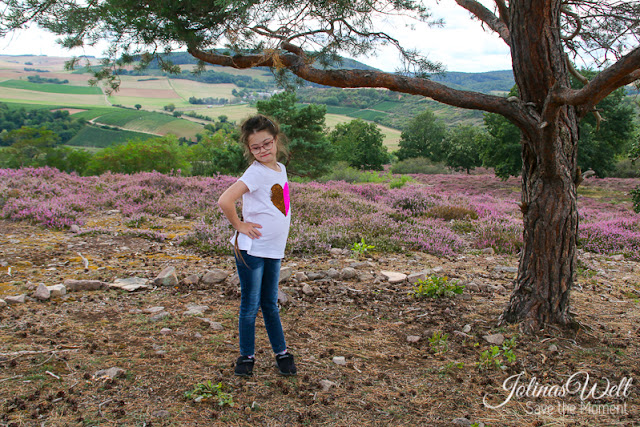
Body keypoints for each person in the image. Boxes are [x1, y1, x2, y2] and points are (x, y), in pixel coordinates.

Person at [217, 114, 296, 377]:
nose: (263, 150)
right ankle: (246, 357)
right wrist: (240, 226)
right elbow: (225, 200)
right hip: (252, 249)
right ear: (249, 150)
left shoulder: (280, 169)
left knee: (270, 303)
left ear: (276, 140)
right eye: (256, 147)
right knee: (250, 305)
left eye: (267, 143)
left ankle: (281, 353)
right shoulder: (255, 172)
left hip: (273, 249)